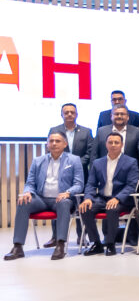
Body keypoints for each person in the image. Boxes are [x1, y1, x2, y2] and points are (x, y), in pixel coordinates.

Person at [4, 133, 83, 261]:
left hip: (61, 199)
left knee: (64, 203)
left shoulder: (74, 160)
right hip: (41, 199)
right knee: (23, 202)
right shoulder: (38, 161)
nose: (54, 143)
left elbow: (79, 184)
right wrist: (27, 192)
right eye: (51, 141)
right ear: (47, 144)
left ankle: (60, 245)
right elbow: (30, 183)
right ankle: (17, 247)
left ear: (65, 144)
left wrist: (68, 192)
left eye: (57, 141)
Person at [79, 133, 139, 256]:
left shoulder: (131, 162)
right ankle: (96, 243)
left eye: (116, 142)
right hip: (102, 198)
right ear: (106, 144)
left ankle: (110, 244)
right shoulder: (97, 163)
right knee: (85, 209)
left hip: (122, 200)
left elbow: (131, 185)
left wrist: (117, 198)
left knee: (112, 209)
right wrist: (88, 198)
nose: (113, 145)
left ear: (122, 145)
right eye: (110, 142)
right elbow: (91, 184)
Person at [47, 103, 93, 247]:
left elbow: (90, 152)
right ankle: (55, 237)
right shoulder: (54, 130)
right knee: (58, 201)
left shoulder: (86, 131)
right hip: (60, 174)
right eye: (66, 112)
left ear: (76, 114)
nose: (69, 114)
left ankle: (82, 236)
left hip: (81, 173)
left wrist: (76, 164)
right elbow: (50, 150)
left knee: (81, 205)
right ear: (61, 114)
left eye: (72, 112)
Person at [93, 105, 139, 172]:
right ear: (111, 116)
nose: (119, 116)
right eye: (116, 114)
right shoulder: (101, 131)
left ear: (128, 117)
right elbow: (94, 154)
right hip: (104, 171)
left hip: (129, 172)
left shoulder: (137, 132)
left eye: (122, 114)